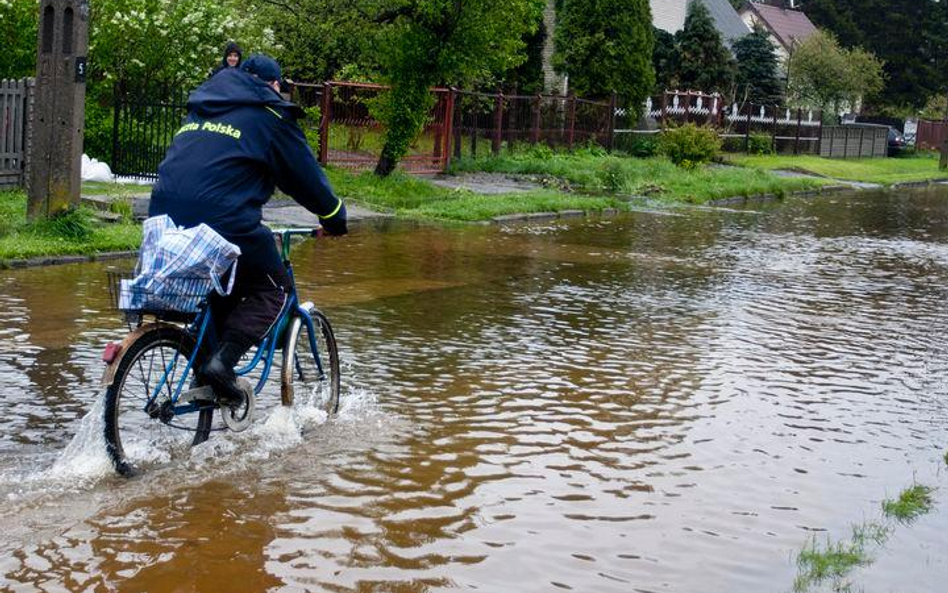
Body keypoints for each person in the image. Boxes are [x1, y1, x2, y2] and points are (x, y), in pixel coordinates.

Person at [149, 53, 347, 406]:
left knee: (221, 287)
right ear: (273, 85)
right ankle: (221, 365)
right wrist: (334, 217)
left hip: (163, 219)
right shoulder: (269, 115)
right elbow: (305, 179)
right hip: (223, 221)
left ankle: (204, 379)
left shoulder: (202, 107)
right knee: (275, 292)